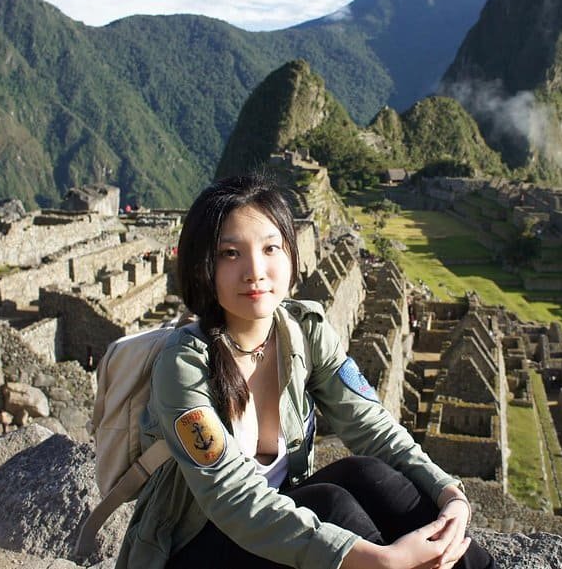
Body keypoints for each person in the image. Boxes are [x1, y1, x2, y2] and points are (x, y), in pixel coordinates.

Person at [118, 175, 493, 569]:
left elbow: (374, 428)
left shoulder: (305, 333)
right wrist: (374, 558)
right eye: (231, 253)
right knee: (332, 507)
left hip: (276, 531)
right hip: (198, 546)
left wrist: (449, 494)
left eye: (270, 248)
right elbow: (232, 499)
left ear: (292, 255)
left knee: (371, 476)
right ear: (203, 267)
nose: (255, 271)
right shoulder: (185, 367)